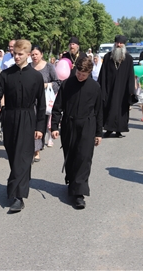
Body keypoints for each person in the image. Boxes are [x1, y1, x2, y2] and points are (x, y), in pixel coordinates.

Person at [0, 39, 46, 213]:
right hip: (10, 117)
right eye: (15, 53)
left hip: (28, 117)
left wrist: (40, 127)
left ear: (28, 55)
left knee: (23, 155)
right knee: (14, 154)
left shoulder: (36, 76)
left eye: (20, 54)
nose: (16, 57)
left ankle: (18, 196)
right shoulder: (6, 74)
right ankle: (21, 181)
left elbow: (42, 105)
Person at [51, 56, 103, 209]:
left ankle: (79, 193)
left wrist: (98, 133)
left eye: (84, 74)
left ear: (89, 73)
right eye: (79, 73)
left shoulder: (95, 87)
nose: (80, 76)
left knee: (84, 157)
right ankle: (72, 184)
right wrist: (54, 127)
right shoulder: (67, 84)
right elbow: (57, 106)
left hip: (87, 125)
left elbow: (99, 111)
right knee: (71, 155)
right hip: (69, 124)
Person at [97, 35, 135, 138]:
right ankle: (109, 129)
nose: (118, 45)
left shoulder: (129, 59)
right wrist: (101, 88)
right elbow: (103, 74)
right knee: (109, 108)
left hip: (123, 90)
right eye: (117, 43)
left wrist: (131, 90)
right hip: (110, 89)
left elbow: (131, 75)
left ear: (124, 44)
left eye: (120, 43)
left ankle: (119, 130)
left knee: (122, 109)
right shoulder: (108, 57)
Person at [30, 45, 60, 156]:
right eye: (32, 54)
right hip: (29, 102)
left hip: (44, 102)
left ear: (41, 54)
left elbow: (57, 82)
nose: (34, 56)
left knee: (39, 125)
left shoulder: (49, 67)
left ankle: (37, 149)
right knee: (30, 125)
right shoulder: (28, 67)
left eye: (36, 54)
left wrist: (47, 85)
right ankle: (33, 149)